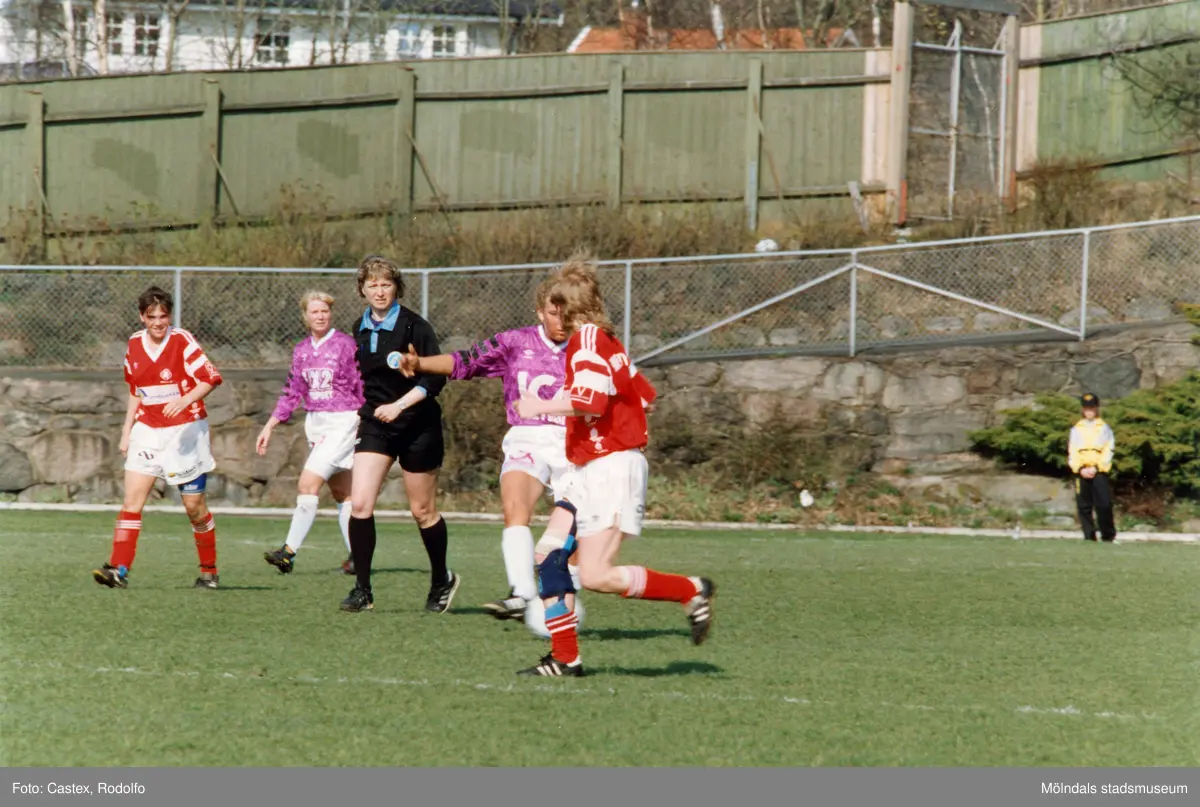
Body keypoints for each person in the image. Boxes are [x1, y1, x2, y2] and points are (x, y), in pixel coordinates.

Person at [514, 255, 716, 677]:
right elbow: (645, 396)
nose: (552, 319)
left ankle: (690, 590)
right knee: (549, 556)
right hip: (591, 467)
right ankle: (565, 658)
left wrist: (539, 406)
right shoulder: (606, 341)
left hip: (609, 467)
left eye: (556, 310)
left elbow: (590, 401)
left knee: (595, 574)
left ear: (568, 309)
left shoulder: (587, 340)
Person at [396, 275, 580, 623]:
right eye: (554, 313)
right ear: (539, 312)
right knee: (515, 508)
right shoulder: (515, 342)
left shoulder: (588, 347)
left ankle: (566, 589)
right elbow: (465, 361)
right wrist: (421, 364)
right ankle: (522, 594)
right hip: (527, 437)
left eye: (568, 313)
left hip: (576, 443)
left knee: (573, 538)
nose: (562, 321)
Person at [340, 255, 459, 614]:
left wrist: (400, 406)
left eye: (386, 284)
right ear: (362, 289)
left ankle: (441, 579)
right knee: (360, 504)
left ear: (396, 287)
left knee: (422, 511)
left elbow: (435, 379)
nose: (379, 291)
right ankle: (362, 590)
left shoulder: (415, 326)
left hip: (418, 425)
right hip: (377, 423)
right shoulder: (358, 328)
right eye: (372, 284)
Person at [92, 286, 223, 590]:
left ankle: (209, 571)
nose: (158, 322)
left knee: (194, 507)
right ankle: (118, 569)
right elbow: (135, 391)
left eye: (163, 316)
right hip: (148, 430)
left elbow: (211, 378)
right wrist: (126, 431)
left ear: (169, 316)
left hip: (186, 431)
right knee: (132, 501)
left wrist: (184, 400)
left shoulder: (182, 340)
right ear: (142, 317)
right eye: (152, 317)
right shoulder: (134, 344)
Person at [257, 291, 364, 575]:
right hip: (316, 423)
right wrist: (270, 424)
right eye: (315, 311)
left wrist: (367, 418)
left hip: (342, 421)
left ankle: (288, 553)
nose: (320, 316)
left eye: (325, 311)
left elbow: (360, 383)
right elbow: (293, 392)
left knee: (307, 485)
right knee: (342, 493)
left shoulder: (345, 345)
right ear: (305, 316)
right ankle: (359, 557)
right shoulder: (302, 350)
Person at [1068, 392, 1117, 543]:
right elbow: (1073, 451)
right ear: (1083, 410)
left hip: (1098, 470)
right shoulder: (1076, 429)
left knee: (1104, 504)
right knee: (1084, 506)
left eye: (1092, 408)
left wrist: (1097, 467)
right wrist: (1080, 468)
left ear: (1096, 409)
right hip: (1082, 470)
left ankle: (1107, 535)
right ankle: (1089, 536)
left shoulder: (1104, 428)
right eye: (1086, 408)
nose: (1089, 411)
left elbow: (1108, 449)